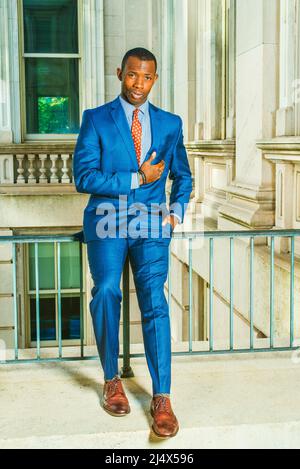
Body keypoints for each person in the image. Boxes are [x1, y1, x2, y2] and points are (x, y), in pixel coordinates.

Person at [73, 47, 192, 438]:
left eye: (146, 77)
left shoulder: (170, 123)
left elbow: (183, 176)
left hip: (152, 225)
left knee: (155, 302)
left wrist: (175, 211)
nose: (138, 84)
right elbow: (84, 177)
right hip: (107, 221)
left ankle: (162, 396)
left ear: (154, 79)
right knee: (106, 290)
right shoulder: (96, 120)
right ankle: (111, 378)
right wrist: (136, 179)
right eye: (131, 75)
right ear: (119, 73)